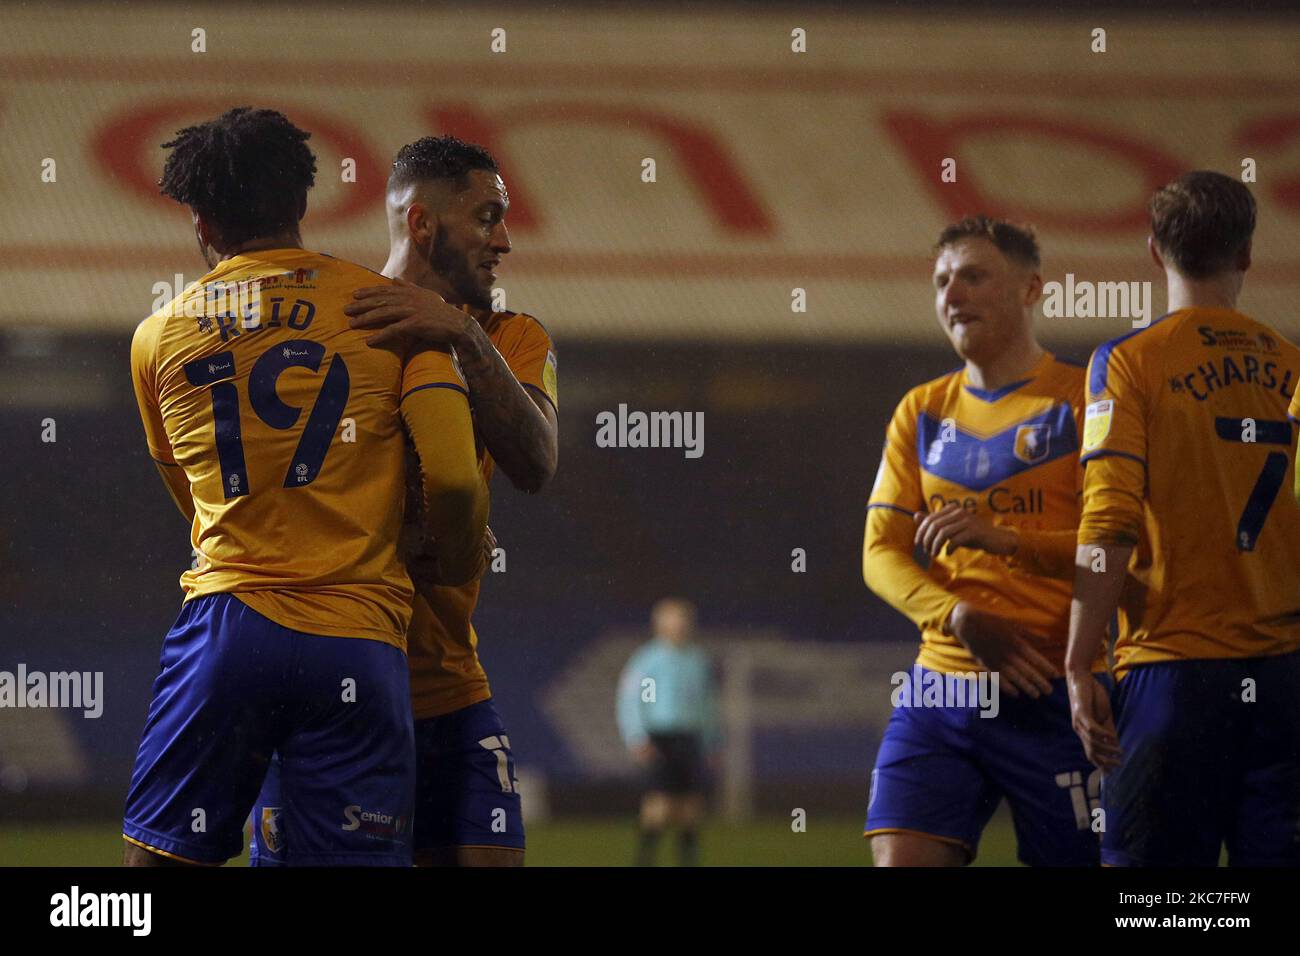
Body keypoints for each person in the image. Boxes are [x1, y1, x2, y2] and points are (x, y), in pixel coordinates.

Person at [122, 108, 488, 866]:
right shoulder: (394, 315)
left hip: (226, 631)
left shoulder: (159, 337)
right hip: (357, 641)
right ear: (301, 200)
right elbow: (454, 478)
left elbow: (190, 498)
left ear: (200, 220)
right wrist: (449, 559)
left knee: (154, 868)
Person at [251, 136, 558, 867]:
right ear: (422, 224)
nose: (505, 241)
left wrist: (460, 338)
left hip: (449, 687)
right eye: (487, 218)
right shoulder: (335, 327)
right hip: (334, 688)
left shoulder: (509, 337)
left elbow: (537, 462)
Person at [1067, 171, 1300, 866]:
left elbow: (1109, 522)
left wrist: (1080, 663)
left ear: (1153, 251)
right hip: (1286, 678)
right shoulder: (1293, 367)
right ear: (1248, 256)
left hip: (1174, 674)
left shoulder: (1129, 364)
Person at [862, 215, 1106, 867]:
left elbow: (1123, 545)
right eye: (942, 281)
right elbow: (879, 552)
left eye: (974, 276)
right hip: (943, 685)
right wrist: (957, 615)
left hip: (1054, 686)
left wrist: (1008, 540)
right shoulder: (921, 410)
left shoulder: (1088, 400)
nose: (953, 294)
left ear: (1031, 291)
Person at [616, 598, 720, 867]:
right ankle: (644, 860)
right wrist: (637, 736)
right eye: (674, 620)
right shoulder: (647, 659)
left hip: (689, 737)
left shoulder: (698, 660)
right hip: (659, 737)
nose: (679, 626)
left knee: (691, 808)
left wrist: (712, 742)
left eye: (683, 620)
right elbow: (630, 699)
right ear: (660, 625)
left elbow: (707, 705)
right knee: (659, 805)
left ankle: (688, 861)